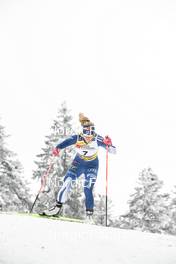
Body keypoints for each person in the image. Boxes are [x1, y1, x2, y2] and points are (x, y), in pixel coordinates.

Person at [41, 113, 116, 218]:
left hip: (92, 165)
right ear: (84, 133)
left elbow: (113, 151)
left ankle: (89, 215)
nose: (89, 139)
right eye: (87, 136)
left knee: (88, 187)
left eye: (91, 136)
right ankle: (56, 209)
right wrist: (57, 149)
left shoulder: (98, 138)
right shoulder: (77, 137)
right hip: (78, 163)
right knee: (67, 182)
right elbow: (64, 143)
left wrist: (109, 144)